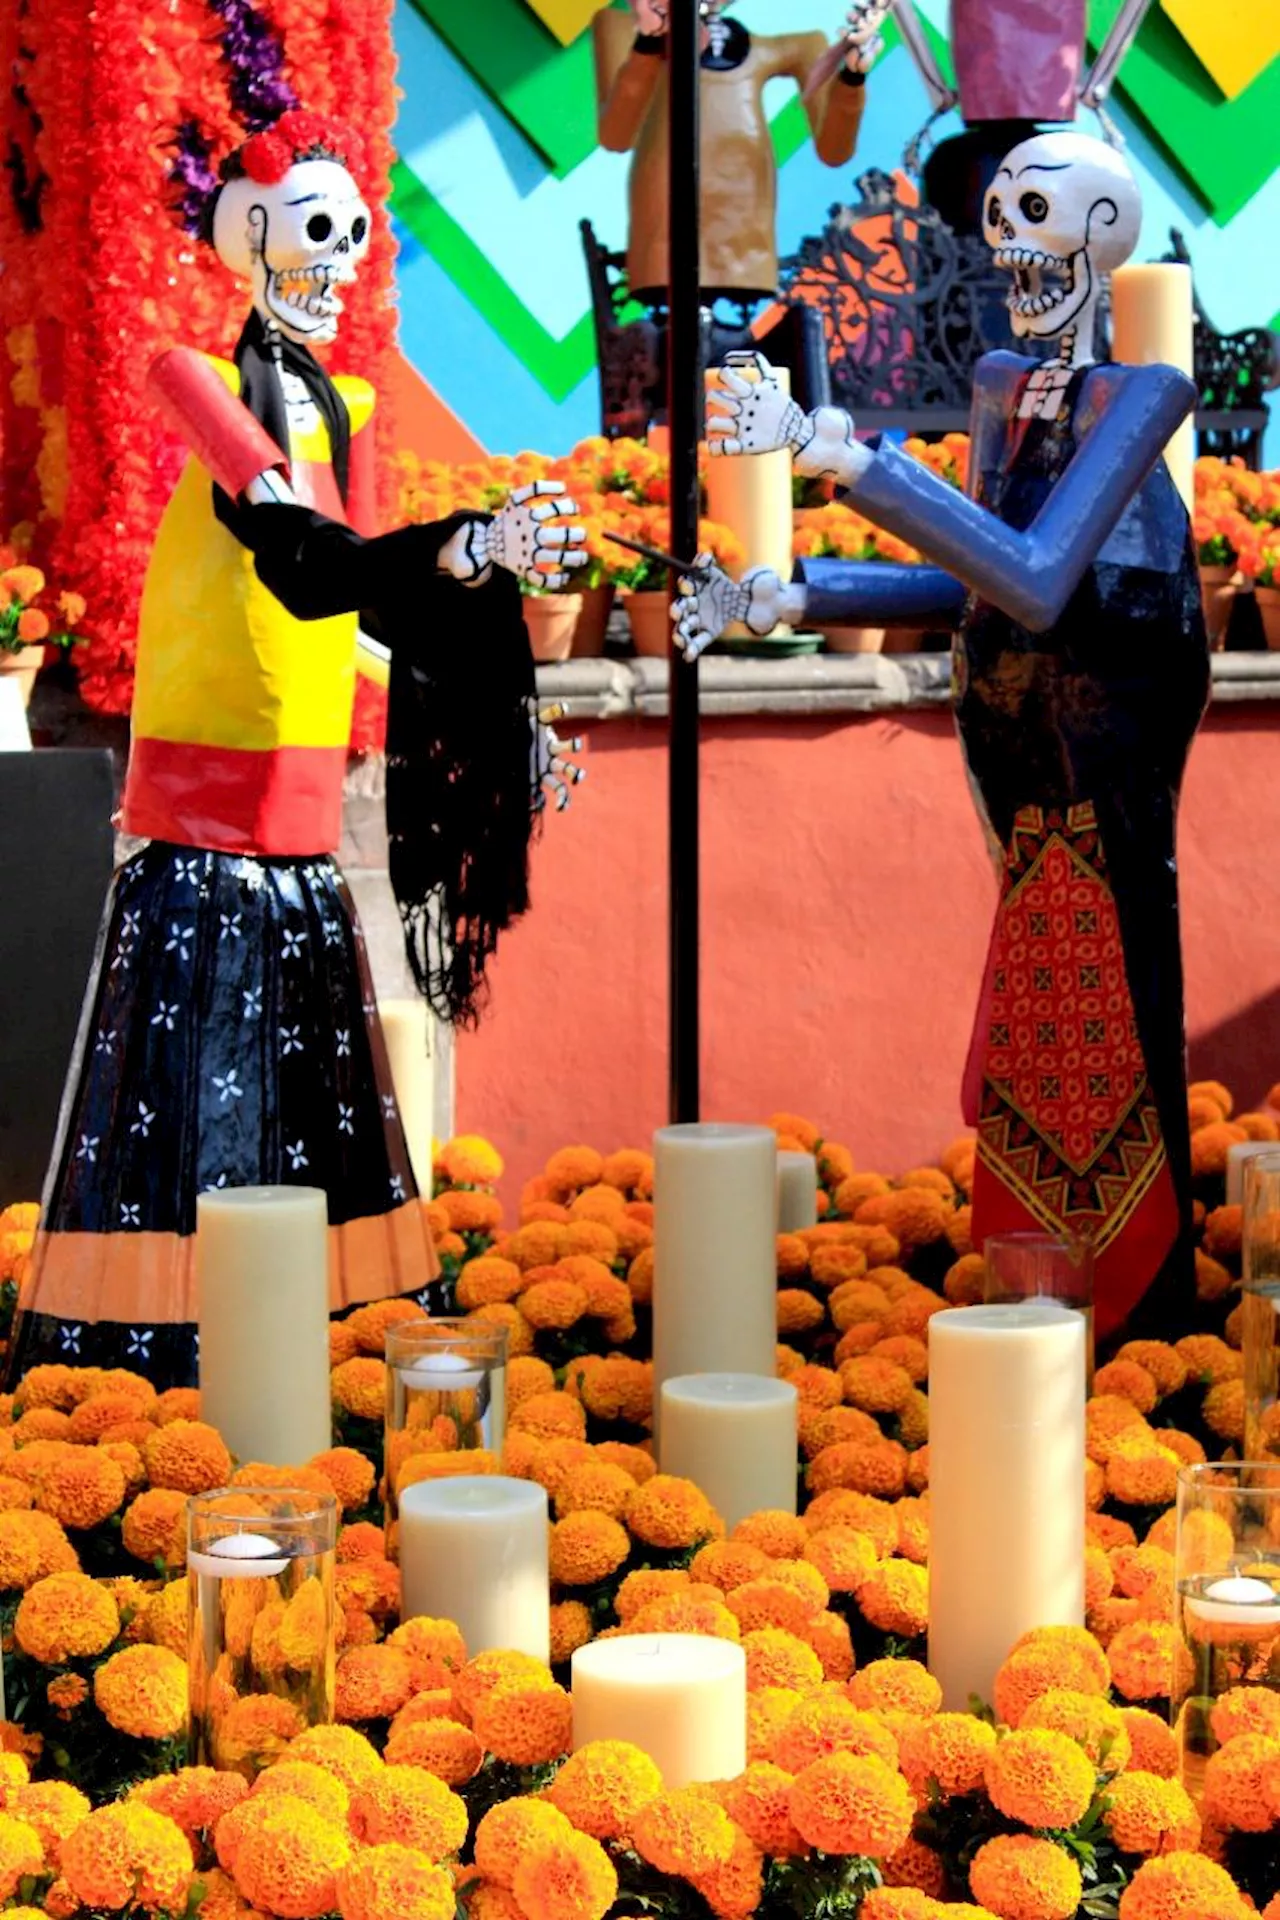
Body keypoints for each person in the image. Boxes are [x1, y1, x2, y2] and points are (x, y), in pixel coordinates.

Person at [8, 110, 586, 1387]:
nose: (337, 253)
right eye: (312, 228)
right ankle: (172, 1367)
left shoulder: (351, 400)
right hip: (209, 826)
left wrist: (499, 716)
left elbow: (371, 607)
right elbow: (311, 566)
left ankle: (304, 1360)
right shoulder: (201, 386)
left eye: (351, 229)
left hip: (302, 826)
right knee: (198, 1090)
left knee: (304, 1093)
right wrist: (467, 550)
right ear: (252, 241)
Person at [673, 131, 1210, 1347]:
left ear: (1103, 235)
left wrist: (835, 452)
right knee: (1038, 1023)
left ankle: (1136, 1325)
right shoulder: (1000, 391)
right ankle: (1039, 1300)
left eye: (1037, 213)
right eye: (1000, 216)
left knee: (1115, 1004)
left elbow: (1032, 577)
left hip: (1102, 767)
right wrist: (787, 599)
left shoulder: (1142, 395)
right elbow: (972, 581)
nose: (1008, 244)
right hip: (1019, 777)